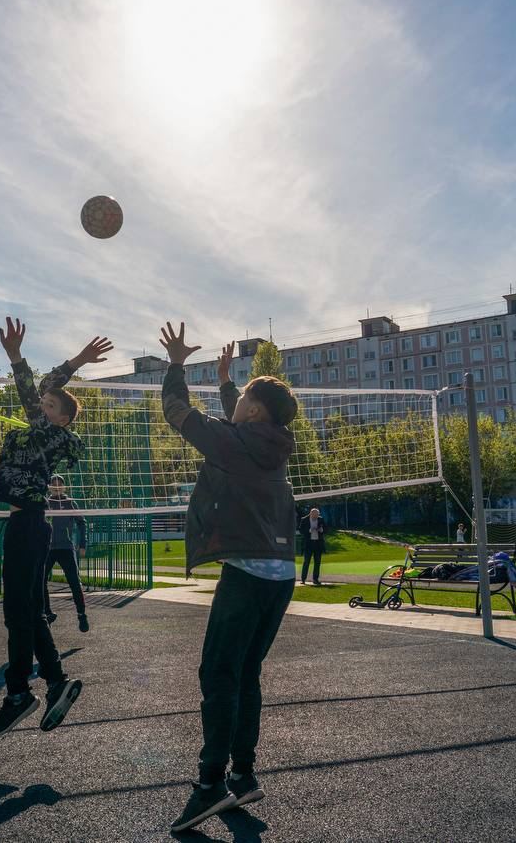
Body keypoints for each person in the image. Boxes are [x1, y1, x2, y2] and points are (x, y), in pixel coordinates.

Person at [159, 326, 299, 833]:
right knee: (245, 674)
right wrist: (225, 383)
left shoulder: (238, 443)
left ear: (255, 410)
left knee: (219, 676)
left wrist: (175, 365)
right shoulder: (274, 443)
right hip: (281, 575)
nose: (235, 402)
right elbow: (238, 428)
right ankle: (243, 774)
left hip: (246, 575)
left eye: (241, 398)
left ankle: (209, 784)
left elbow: (180, 414)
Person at [0, 317, 112, 737]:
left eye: (50, 406)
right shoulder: (44, 425)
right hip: (24, 524)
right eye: (43, 403)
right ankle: (54, 682)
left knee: (17, 613)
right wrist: (76, 359)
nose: (42, 405)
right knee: (28, 611)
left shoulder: (51, 436)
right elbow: (45, 390)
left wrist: (18, 358)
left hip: (30, 525)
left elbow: (35, 389)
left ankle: (19, 693)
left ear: (62, 420)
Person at [45, 475, 90, 633]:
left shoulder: (70, 502)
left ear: (64, 487)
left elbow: (82, 522)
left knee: (74, 582)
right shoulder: (45, 503)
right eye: (54, 484)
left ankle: (82, 615)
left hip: (66, 547)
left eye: (60, 484)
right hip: (48, 549)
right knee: (40, 580)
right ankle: (47, 613)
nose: (57, 487)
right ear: (49, 487)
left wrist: (82, 543)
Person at [298, 507, 326, 585]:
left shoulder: (321, 519)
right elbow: (301, 530)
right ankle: (303, 579)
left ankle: (315, 579)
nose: (316, 517)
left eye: (317, 515)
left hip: (318, 543)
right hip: (308, 544)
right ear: (311, 514)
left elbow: (326, 529)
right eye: (315, 515)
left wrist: (322, 530)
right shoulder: (304, 519)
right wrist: (309, 530)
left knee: (317, 562)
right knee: (306, 562)